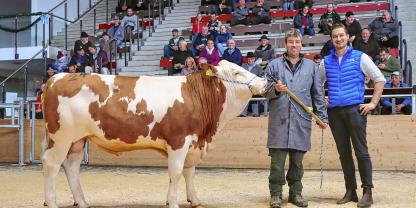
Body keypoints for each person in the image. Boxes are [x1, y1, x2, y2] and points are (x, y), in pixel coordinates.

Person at [321, 23, 386, 208]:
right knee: (344, 154)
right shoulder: (326, 61)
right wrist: (322, 99)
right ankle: (351, 191)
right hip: (334, 113)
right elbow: (317, 85)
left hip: (355, 111)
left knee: (361, 151)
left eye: (341, 35)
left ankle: (367, 192)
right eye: (335, 36)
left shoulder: (360, 57)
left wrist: (373, 103)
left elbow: (379, 78)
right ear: (332, 39)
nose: (338, 39)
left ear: (347, 37)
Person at [264, 28, 328, 208]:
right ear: (285, 44)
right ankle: (276, 194)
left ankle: (295, 194)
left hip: (301, 121)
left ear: (301, 44)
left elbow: (318, 94)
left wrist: (321, 116)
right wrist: (275, 89)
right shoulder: (273, 65)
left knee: (297, 163)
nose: (294, 45)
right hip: (279, 121)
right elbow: (264, 91)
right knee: (277, 164)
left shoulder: (312, 67)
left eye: (297, 42)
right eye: (291, 42)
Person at [240, 51, 264, 117]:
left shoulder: (258, 68)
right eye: (249, 59)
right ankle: (243, 113)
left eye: (252, 59)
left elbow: (262, 77)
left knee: (255, 95)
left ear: (254, 59)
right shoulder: (243, 66)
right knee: (245, 95)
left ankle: (255, 112)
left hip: (254, 86)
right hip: (245, 86)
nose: (250, 60)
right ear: (247, 59)